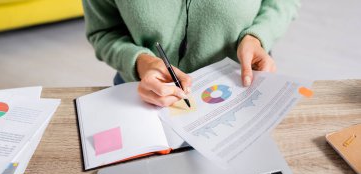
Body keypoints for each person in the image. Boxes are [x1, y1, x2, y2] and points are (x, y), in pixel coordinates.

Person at [82, 0, 300, 107]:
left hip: (239, 91)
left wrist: (258, 36)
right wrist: (140, 62)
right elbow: (104, 31)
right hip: (144, 95)